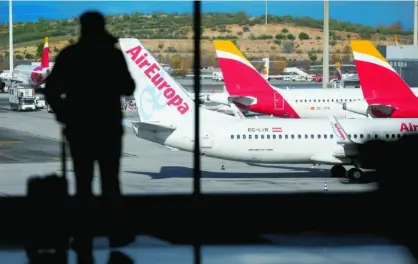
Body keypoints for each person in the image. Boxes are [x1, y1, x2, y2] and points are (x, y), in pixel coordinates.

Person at [43, 11, 136, 251]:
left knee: (83, 183)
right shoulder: (112, 55)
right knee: (110, 182)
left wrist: (64, 114)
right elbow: (129, 87)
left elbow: (51, 90)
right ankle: (116, 233)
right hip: (108, 127)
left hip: (80, 127)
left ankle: (83, 234)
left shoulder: (71, 55)